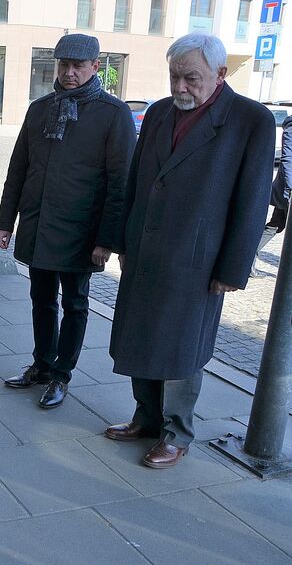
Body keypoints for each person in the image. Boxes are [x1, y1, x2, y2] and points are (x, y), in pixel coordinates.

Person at [106, 33, 275, 468]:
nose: (180, 87)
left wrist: (233, 269)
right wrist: (122, 241)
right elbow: (138, 179)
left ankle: (176, 434)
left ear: (220, 75)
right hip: (145, 251)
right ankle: (145, 418)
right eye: (174, 76)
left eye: (191, 78)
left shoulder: (250, 120)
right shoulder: (160, 112)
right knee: (140, 337)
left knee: (182, 347)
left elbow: (253, 201)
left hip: (197, 260)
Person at [0, 34, 135, 409]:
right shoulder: (40, 108)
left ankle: (61, 374)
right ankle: (42, 365)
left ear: (95, 66)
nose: (69, 73)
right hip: (39, 225)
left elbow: (120, 183)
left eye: (78, 66)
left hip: (81, 232)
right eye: (63, 65)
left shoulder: (113, 113)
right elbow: (19, 168)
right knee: (41, 299)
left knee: (74, 302)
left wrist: (107, 240)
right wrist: (6, 220)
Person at [251, 113, 292, 277]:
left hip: (287, 190)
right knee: (276, 226)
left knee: (275, 225)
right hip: (288, 191)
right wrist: (291, 188)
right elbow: (288, 160)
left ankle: (247, 258)